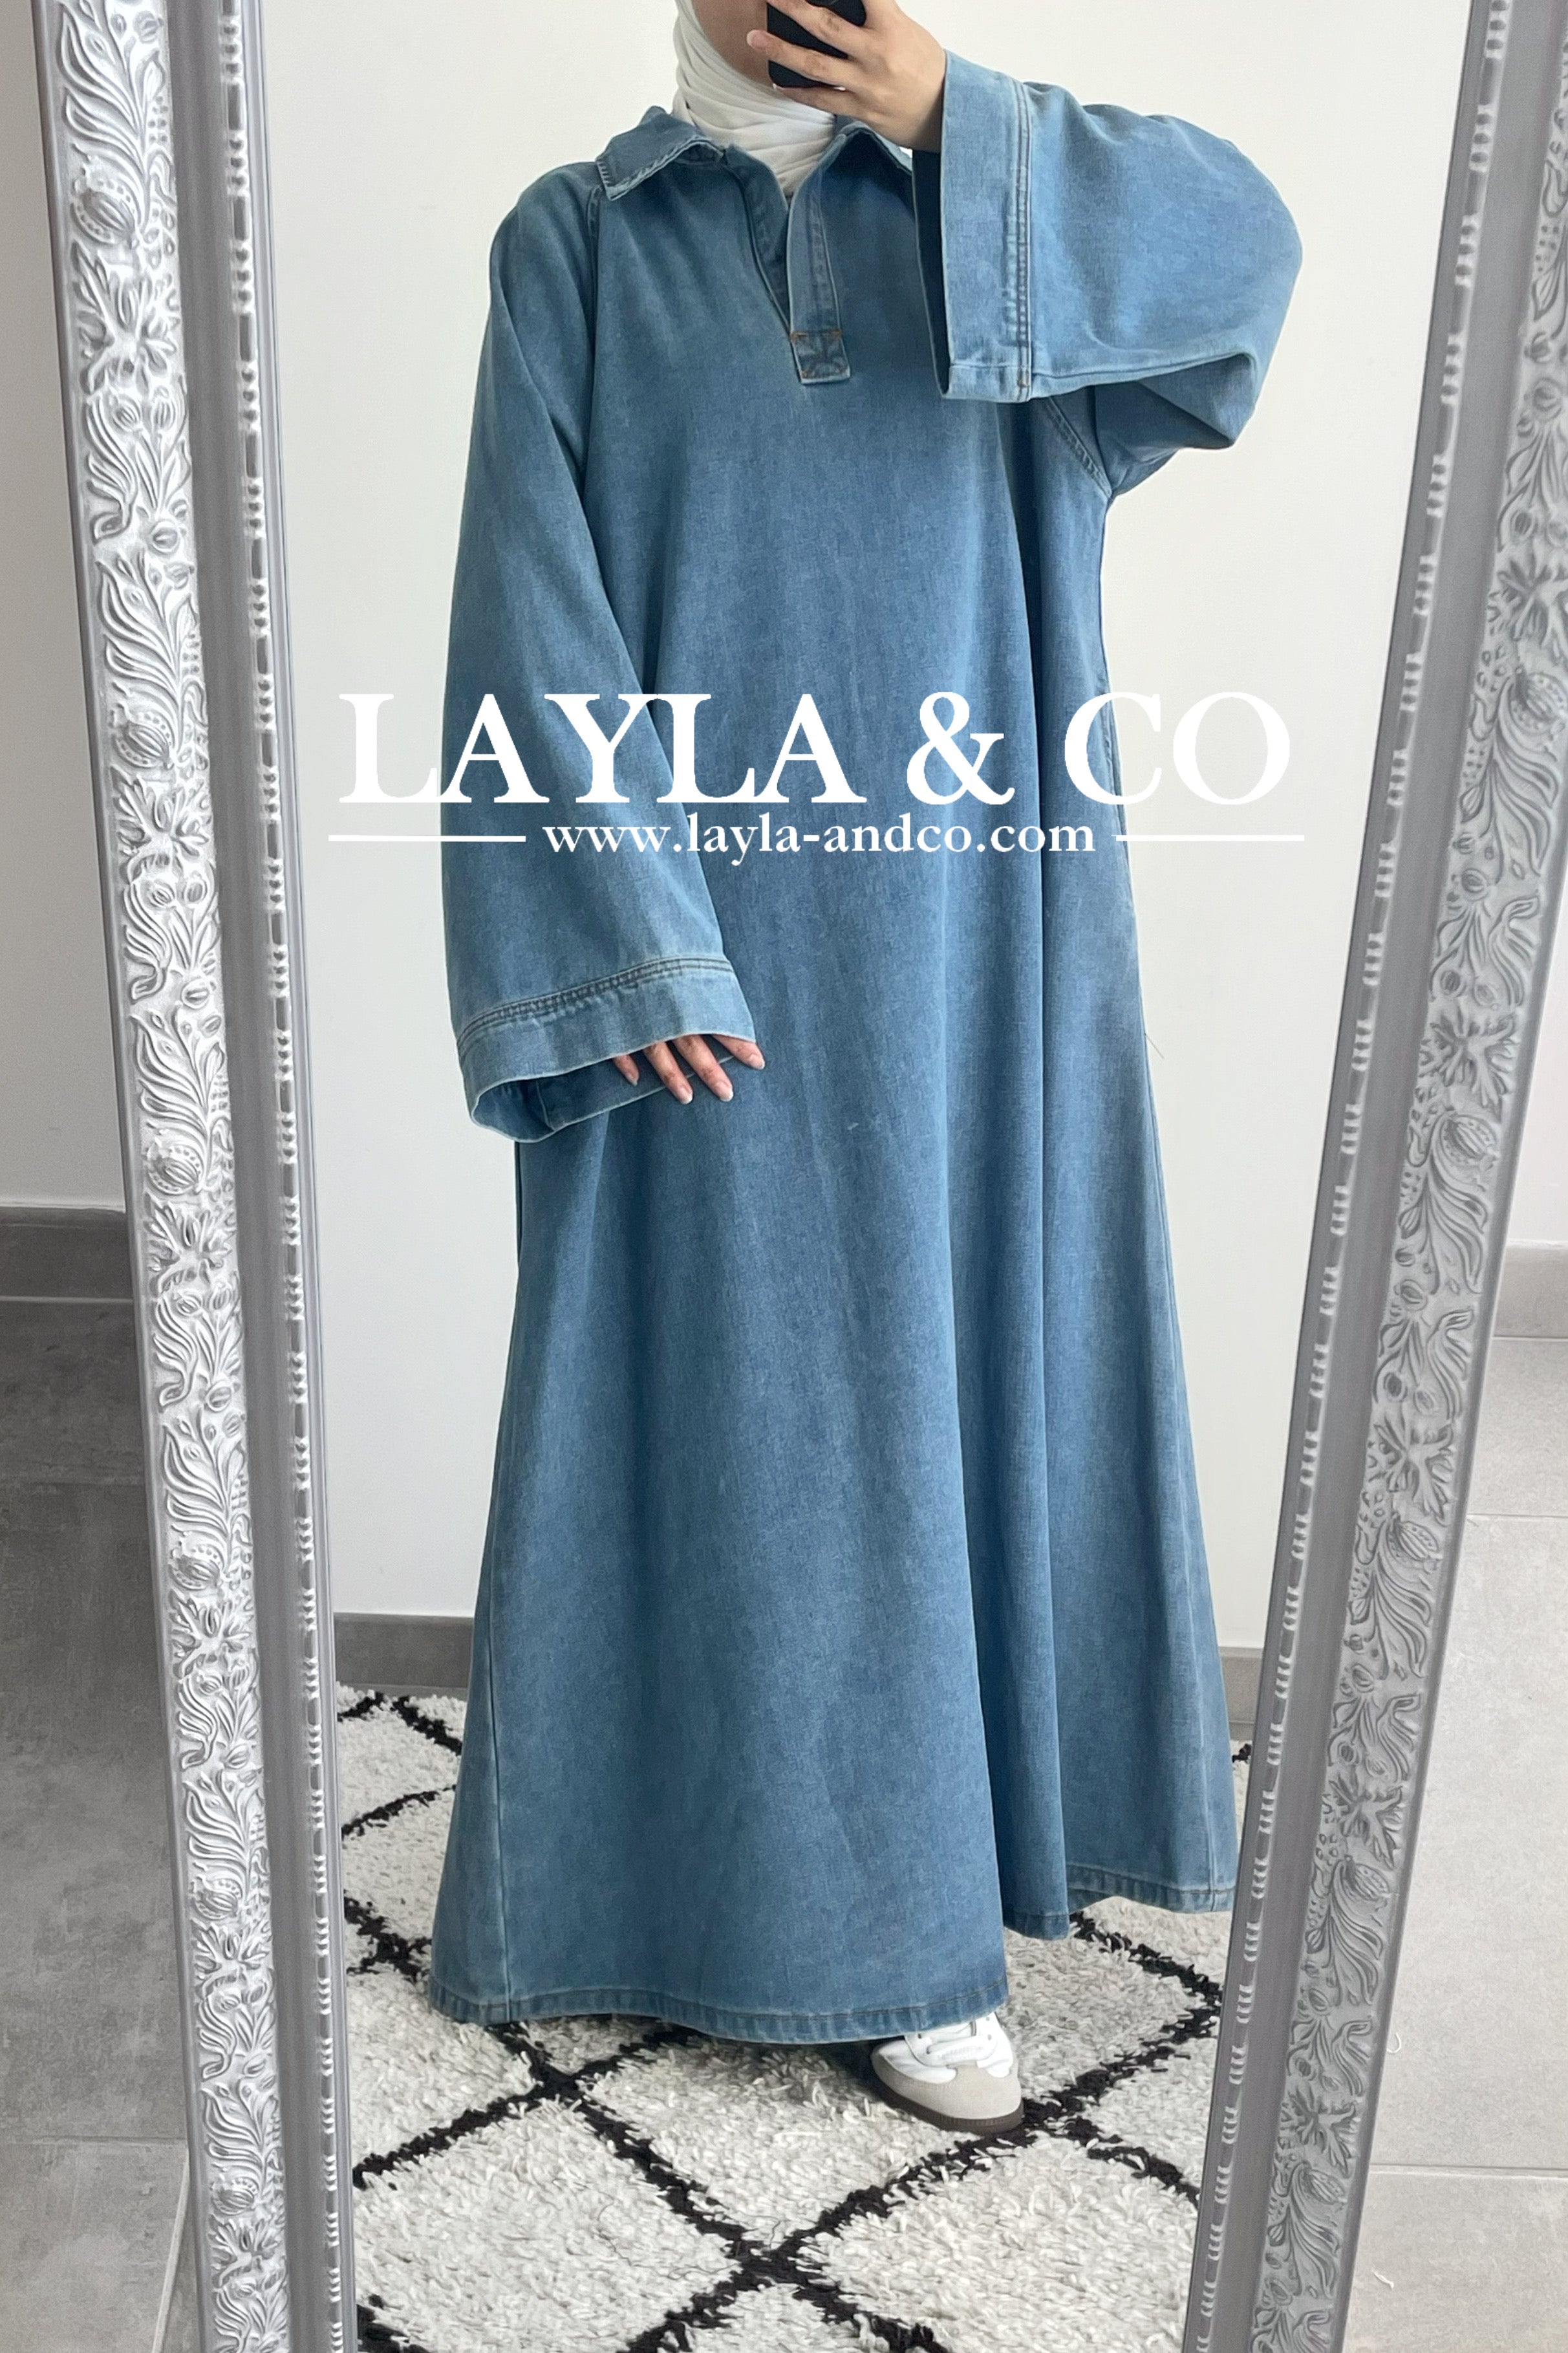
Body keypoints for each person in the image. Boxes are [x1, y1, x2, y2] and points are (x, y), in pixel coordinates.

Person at [428, 0, 1300, 2134]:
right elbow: (526, 608)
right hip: (701, 964)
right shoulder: (579, 243)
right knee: (716, 1406)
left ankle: (915, 1931)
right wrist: (630, 939)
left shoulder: (987, 221)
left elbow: (1243, 258)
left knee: (935, 1387)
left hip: (974, 948)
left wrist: (947, 111)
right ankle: (641, 1898)